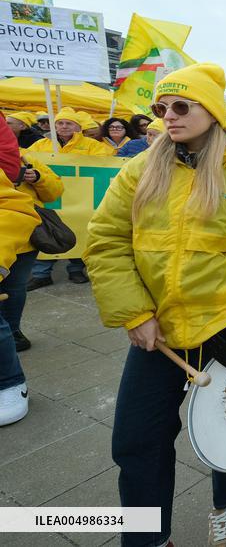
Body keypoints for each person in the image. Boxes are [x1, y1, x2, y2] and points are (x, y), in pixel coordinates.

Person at [85, 63, 226, 547]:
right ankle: (148, 538)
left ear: (210, 111)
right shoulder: (137, 172)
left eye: (181, 106)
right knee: (135, 442)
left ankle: (225, 508)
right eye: (160, 108)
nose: (168, 116)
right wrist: (135, 313)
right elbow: (105, 243)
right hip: (158, 334)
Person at [26, 108, 114, 289]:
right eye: (60, 123)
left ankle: (75, 269)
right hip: (50, 197)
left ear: (78, 127)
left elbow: (107, 160)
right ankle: (41, 273)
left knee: (78, 229)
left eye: (69, 123)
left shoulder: (93, 145)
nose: (63, 127)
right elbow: (27, 159)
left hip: (80, 198)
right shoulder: (40, 145)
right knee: (45, 232)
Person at [6, 150, 64, 351]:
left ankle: (12, 332)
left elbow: (55, 190)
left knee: (14, 287)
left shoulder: (24, 157)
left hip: (24, 238)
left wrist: (37, 178)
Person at [0, 167, 41, 426]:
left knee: (12, 300)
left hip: (23, 244)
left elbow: (54, 190)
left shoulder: (35, 154)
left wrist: (39, 177)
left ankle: (9, 379)